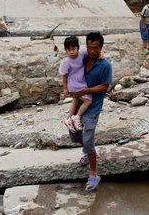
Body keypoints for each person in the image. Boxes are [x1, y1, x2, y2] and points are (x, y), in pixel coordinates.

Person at [69, 32, 112, 191]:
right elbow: (69, 57)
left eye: (96, 48)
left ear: (101, 47)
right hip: (77, 104)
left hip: (92, 107)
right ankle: (88, 153)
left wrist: (86, 90)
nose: (92, 51)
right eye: (90, 47)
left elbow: (104, 86)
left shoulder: (105, 65)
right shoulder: (82, 57)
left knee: (88, 140)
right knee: (74, 133)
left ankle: (94, 174)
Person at [59, 36, 92, 132]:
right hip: (74, 84)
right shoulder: (66, 62)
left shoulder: (82, 53)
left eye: (73, 49)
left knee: (75, 100)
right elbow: (64, 76)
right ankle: (77, 117)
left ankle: (69, 119)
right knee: (88, 101)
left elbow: (91, 51)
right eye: (68, 50)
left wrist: (101, 55)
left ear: (78, 48)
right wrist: (65, 89)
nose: (71, 52)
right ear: (66, 50)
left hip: (81, 81)